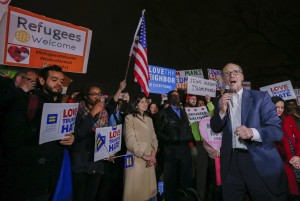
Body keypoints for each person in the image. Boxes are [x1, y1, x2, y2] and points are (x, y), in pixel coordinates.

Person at [210, 63, 287, 201]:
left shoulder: (261, 97)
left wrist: (253, 132)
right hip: (231, 163)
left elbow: (276, 130)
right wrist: (221, 111)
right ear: (223, 79)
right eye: (227, 73)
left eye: (235, 72)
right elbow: (215, 127)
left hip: (256, 161)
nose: (231, 75)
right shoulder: (220, 101)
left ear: (242, 76)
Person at [1, 65, 74, 201]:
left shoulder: (62, 108)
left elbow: (64, 138)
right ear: (41, 81)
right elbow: (11, 138)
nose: (59, 84)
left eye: (61, 81)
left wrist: (70, 139)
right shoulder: (27, 101)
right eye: (54, 79)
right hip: (27, 179)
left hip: (51, 179)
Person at [70, 83, 109, 201]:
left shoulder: (104, 113)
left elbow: (105, 136)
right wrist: (92, 113)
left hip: (96, 163)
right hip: (81, 162)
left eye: (99, 94)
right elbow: (79, 134)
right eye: (93, 94)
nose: (98, 97)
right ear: (86, 96)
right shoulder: (77, 111)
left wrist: (109, 151)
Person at [155, 90, 194, 201]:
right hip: (171, 152)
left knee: (185, 180)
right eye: (174, 96)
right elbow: (158, 131)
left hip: (185, 151)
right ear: (169, 98)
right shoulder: (164, 112)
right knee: (171, 182)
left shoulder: (185, 112)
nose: (177, 97)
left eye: (178, 95)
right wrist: (169, 139)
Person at [123, 94, 158, 201]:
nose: (145, 104)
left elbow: (154, 138)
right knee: (135, 193)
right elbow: (130, 140)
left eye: (145, 102)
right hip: (135, 159)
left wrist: (153, 154)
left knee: (148, 193)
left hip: (149, 160)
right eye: (141, 102)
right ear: (136, 104)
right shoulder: (129, 118)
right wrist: (143, 155)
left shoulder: (149, 119)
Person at [272, 96, 300, 201]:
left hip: (293, 160)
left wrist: (298, 155)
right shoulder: (265, 122)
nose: (280, 110)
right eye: (276, 107)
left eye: (282, 107)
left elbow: (298, 139)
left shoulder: (289, 119)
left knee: (294, 191)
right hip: (276, 161)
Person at [185, 94, 209, 200]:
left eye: (195, 99)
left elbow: (212, 115)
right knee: (190, 173)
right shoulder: (183, 112)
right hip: (189, 146)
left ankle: (200, 196)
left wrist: (209, 101)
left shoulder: (202, 111)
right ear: (187, 100)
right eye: (191, 99)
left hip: (202, 145)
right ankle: (188, 195)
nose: (194, 100)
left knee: (201, 173)